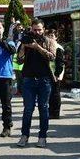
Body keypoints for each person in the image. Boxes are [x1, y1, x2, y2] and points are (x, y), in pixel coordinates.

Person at [16, 19, 56, 147]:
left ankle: (42, 136)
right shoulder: (26, 40)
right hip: (28, 79)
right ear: (31, 29)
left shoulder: (49, 41)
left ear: (43, 29)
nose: (37, 32)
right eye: (34, 29)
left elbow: (52, 57)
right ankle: (24, 136)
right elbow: (19, 60)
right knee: (28, 108)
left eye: (39, 29)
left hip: (45, 80)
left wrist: (37, 47)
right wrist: (23, 45)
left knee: (43, 108)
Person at [46, 29, 65, 120]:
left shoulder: (58, 48)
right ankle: (50, 111)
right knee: (49, 93)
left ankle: (55, 113)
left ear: (56, 37)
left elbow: (60, 63)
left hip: (56, 73)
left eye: (52, 36)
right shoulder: (47, 46)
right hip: (48, 73)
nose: (50, 37)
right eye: (49, 35)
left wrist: (57, 74)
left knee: (55, 93)